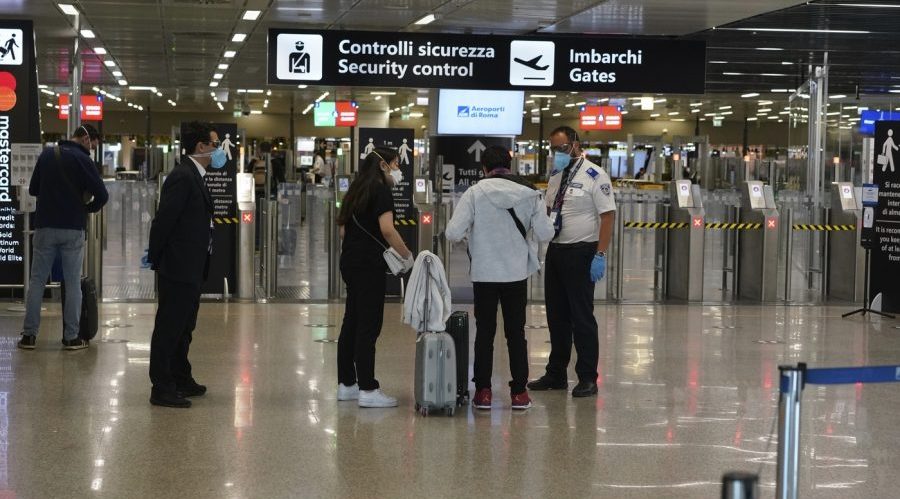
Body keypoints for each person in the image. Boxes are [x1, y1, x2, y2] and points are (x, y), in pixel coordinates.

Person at [446, 145, 554, 411]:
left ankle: (483, 392)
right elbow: (546, 234)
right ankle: (519, 393)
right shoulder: (531, 193)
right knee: (516, 333)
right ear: (510, 164)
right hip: (516, 274)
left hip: (484, 274)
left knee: (485, 332)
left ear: (484, 167)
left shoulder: (474, 193)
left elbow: (452, 232)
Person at [528, 126, 616, 398]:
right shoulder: (556, 174)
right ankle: (556, 373)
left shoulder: (594, 175)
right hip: (556, 251)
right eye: (553, 148)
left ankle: (588, 376)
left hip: (582, 252)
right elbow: (549, 208)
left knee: (581, 318)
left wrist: (599, 255)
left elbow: (608, 216)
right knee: (556, 316)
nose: (558, 153)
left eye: (563, 148)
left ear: (576, 144)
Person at [147, 121, 221, 408]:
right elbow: (164, 220)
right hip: (178, 266)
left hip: (192, 265)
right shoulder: (182, 176)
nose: (218, 151)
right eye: (214, 145)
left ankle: (180, 376)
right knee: (169, 326)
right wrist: (156, 258)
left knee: (184, 326)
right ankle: (161, 386)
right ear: (201, 146)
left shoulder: (195, 175)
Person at [17, 124, 108, 351]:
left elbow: (34, 189)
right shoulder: (83, 160)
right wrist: (87, 208)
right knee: (72, 283)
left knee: (37, 281)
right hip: (72, 229)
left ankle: (29, 336)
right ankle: (70, 338)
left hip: (45, 226)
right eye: (92, 145)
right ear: (86, 138)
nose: (92, 150)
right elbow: (102, 195)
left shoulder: (47, 155)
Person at [335, 147, 413, 408]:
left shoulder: (355, 189)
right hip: (369, 266)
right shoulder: (381, 190)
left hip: (350, 262)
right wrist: (407, 255)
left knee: (352, 322)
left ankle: (347, 384)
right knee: (369, 325)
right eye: (395, 163)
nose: (397, 169)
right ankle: (368, 388)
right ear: (382, 166)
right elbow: (387, 230)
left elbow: (343, 232)